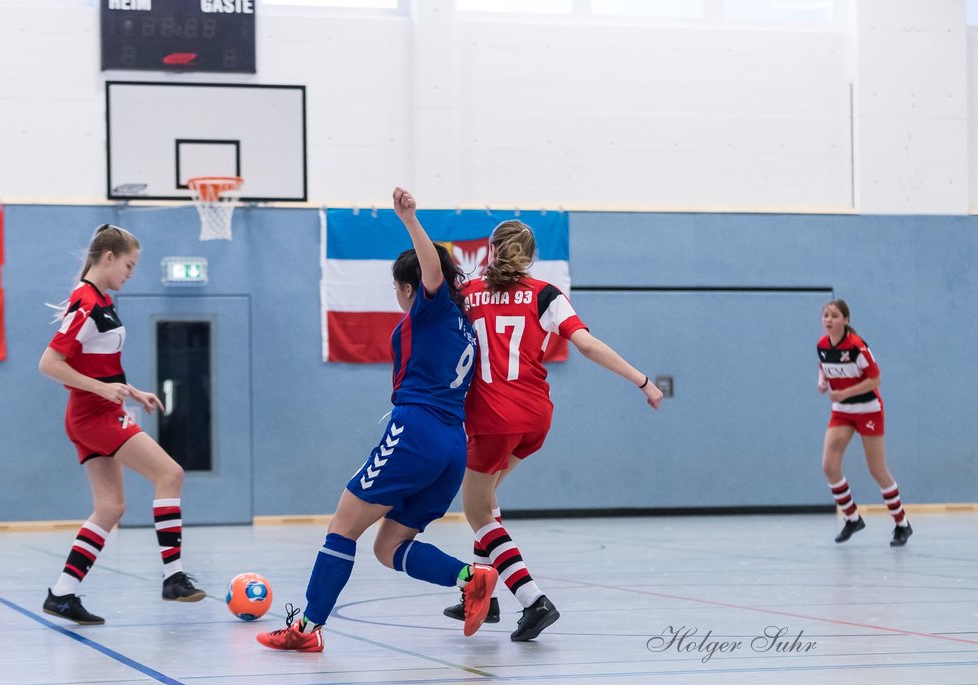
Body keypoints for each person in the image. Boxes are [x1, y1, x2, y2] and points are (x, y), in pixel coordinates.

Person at [256, 188, 498, 653]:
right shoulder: (464, 325)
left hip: (416, 433)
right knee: (388, 548)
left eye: (396, 287)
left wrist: (410, 219)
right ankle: (471, 576)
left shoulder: (435, 308)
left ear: (409, 287)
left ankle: (306, 630)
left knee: (341, 528)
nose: (397, 295)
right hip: (451, 444)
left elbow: (432, 270)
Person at [442, 220, 663, 641]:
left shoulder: (469, 294)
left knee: (475, 511)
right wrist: (642, 381)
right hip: (536, 414)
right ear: (531, 256)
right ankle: (484, 600)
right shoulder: (546, 293)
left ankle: (532, 599)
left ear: (491, 250)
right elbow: (588, 344)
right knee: (487, 500)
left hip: (493, 417)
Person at [37, 224, 205, 625]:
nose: (131, 272)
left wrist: (129, 390)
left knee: (110, 507)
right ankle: (173, 576)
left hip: (92, 410)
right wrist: (103, 390)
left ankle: (62, 593)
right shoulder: (86, 302)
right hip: (94, 415)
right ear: (108, 257)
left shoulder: (101, 301)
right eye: (128, 265)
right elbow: (50, 364)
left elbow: (92, 363)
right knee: (171, 474)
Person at [816, 299, 912, 546]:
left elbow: (875, 380)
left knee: (877, 469)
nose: (829, 320)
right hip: (842, 412)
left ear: (846, 320)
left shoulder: (857, 347)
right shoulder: (822, 345)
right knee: (829, 466)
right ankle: (852, 518)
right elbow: (824, 365)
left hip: (868, 410)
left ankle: (902, 524)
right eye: (825, 315)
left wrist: (844, 393)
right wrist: (823, 381)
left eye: (834, 315)